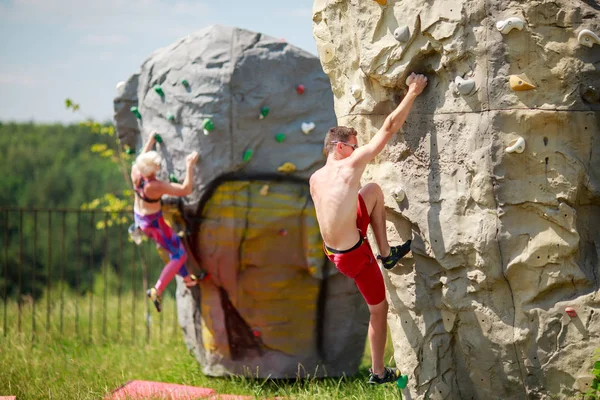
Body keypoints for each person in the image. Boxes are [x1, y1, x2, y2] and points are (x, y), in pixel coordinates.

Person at [309, 73, 428, 384]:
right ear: (339, 146)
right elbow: (388, 127)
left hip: (333, 249)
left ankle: (387, 253)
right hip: (354, 256)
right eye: (354, 145)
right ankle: (377, 372)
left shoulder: (315, 178)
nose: (358, 148)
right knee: (379, 309)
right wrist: (412, 92)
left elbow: (335, 210)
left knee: (373, 190)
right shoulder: (349, 165)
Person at [130, 132, 199, 312]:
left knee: (172, 247)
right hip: (154, 224)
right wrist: (189, 166)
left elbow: (140, 159)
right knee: (179, 254)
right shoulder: (154, 186)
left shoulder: (136, 173)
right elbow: (185, 189)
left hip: (141, 217)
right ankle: (157, 289)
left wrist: (150, 140)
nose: (160, 168)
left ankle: (186, 278)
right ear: (151, 170)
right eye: (157, 166)